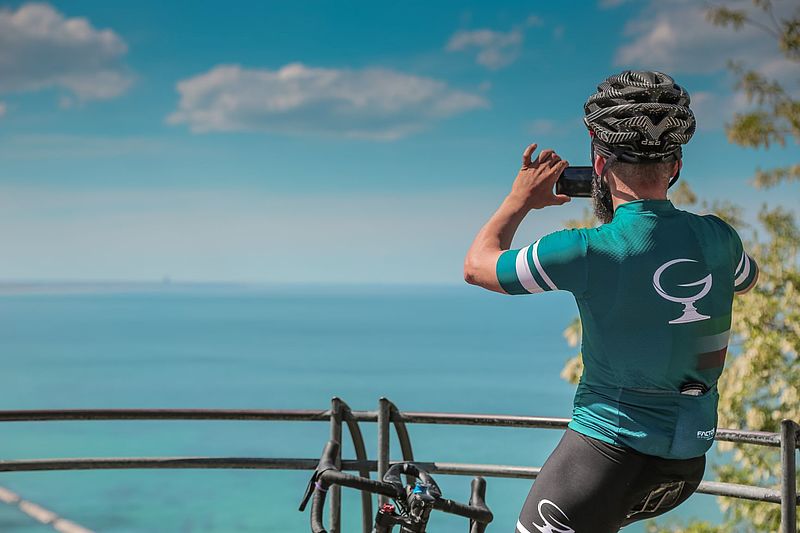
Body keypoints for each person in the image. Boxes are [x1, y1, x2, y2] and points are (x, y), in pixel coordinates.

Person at [463, 70, 759, 533]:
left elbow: (477, 266)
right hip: (687, 459)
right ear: (676, 166)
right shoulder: (720, 237)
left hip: (605, 453)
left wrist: (520, 199)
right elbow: (746, 280)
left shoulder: (586, 250)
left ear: (599, 164)